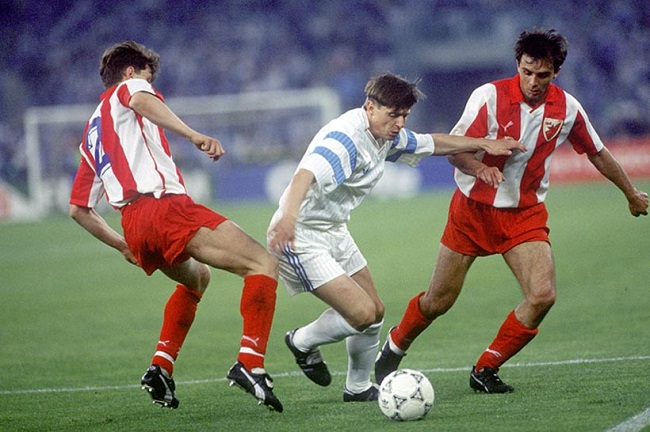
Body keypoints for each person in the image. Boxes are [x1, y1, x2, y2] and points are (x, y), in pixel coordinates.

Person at [375, 29, 649, 393]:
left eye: (543, 75)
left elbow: (596, 152)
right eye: (526, 71)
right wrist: (480, 168)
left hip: (524, 215)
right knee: (438, 301)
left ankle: (486, 368)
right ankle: (394, 346)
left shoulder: (567, 109)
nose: (533, 82)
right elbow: (455, 150)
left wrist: (630, 193)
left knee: (542, 295)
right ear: (517, 64)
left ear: (556, 73)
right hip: (472, 211)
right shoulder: (488, 97)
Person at [266, 73, 525, 402]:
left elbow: (432, 143)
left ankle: (358, 388)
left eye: (405, 115)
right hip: (300, 236)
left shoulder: (385, 135)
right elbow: (304, 176)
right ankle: (301, 342)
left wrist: (483, 144)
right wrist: (288, 220)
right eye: (393, 115)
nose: (400, 123)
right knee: (361, 313)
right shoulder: (345, 139)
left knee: (375, 311)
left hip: (334, 229)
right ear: (370, 107)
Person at [69, 41, 283, 412]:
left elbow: (78, 209)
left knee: (197, 278)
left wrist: (123, 245)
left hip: (134, 226)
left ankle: (161, 367)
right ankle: (250, 363)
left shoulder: (91, 133)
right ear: (130, 72)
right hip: (163, 208)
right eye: (147, 78)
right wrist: (193, 135)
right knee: (263, 264)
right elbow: (141, 100)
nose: (150, 87)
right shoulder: (129, 89)